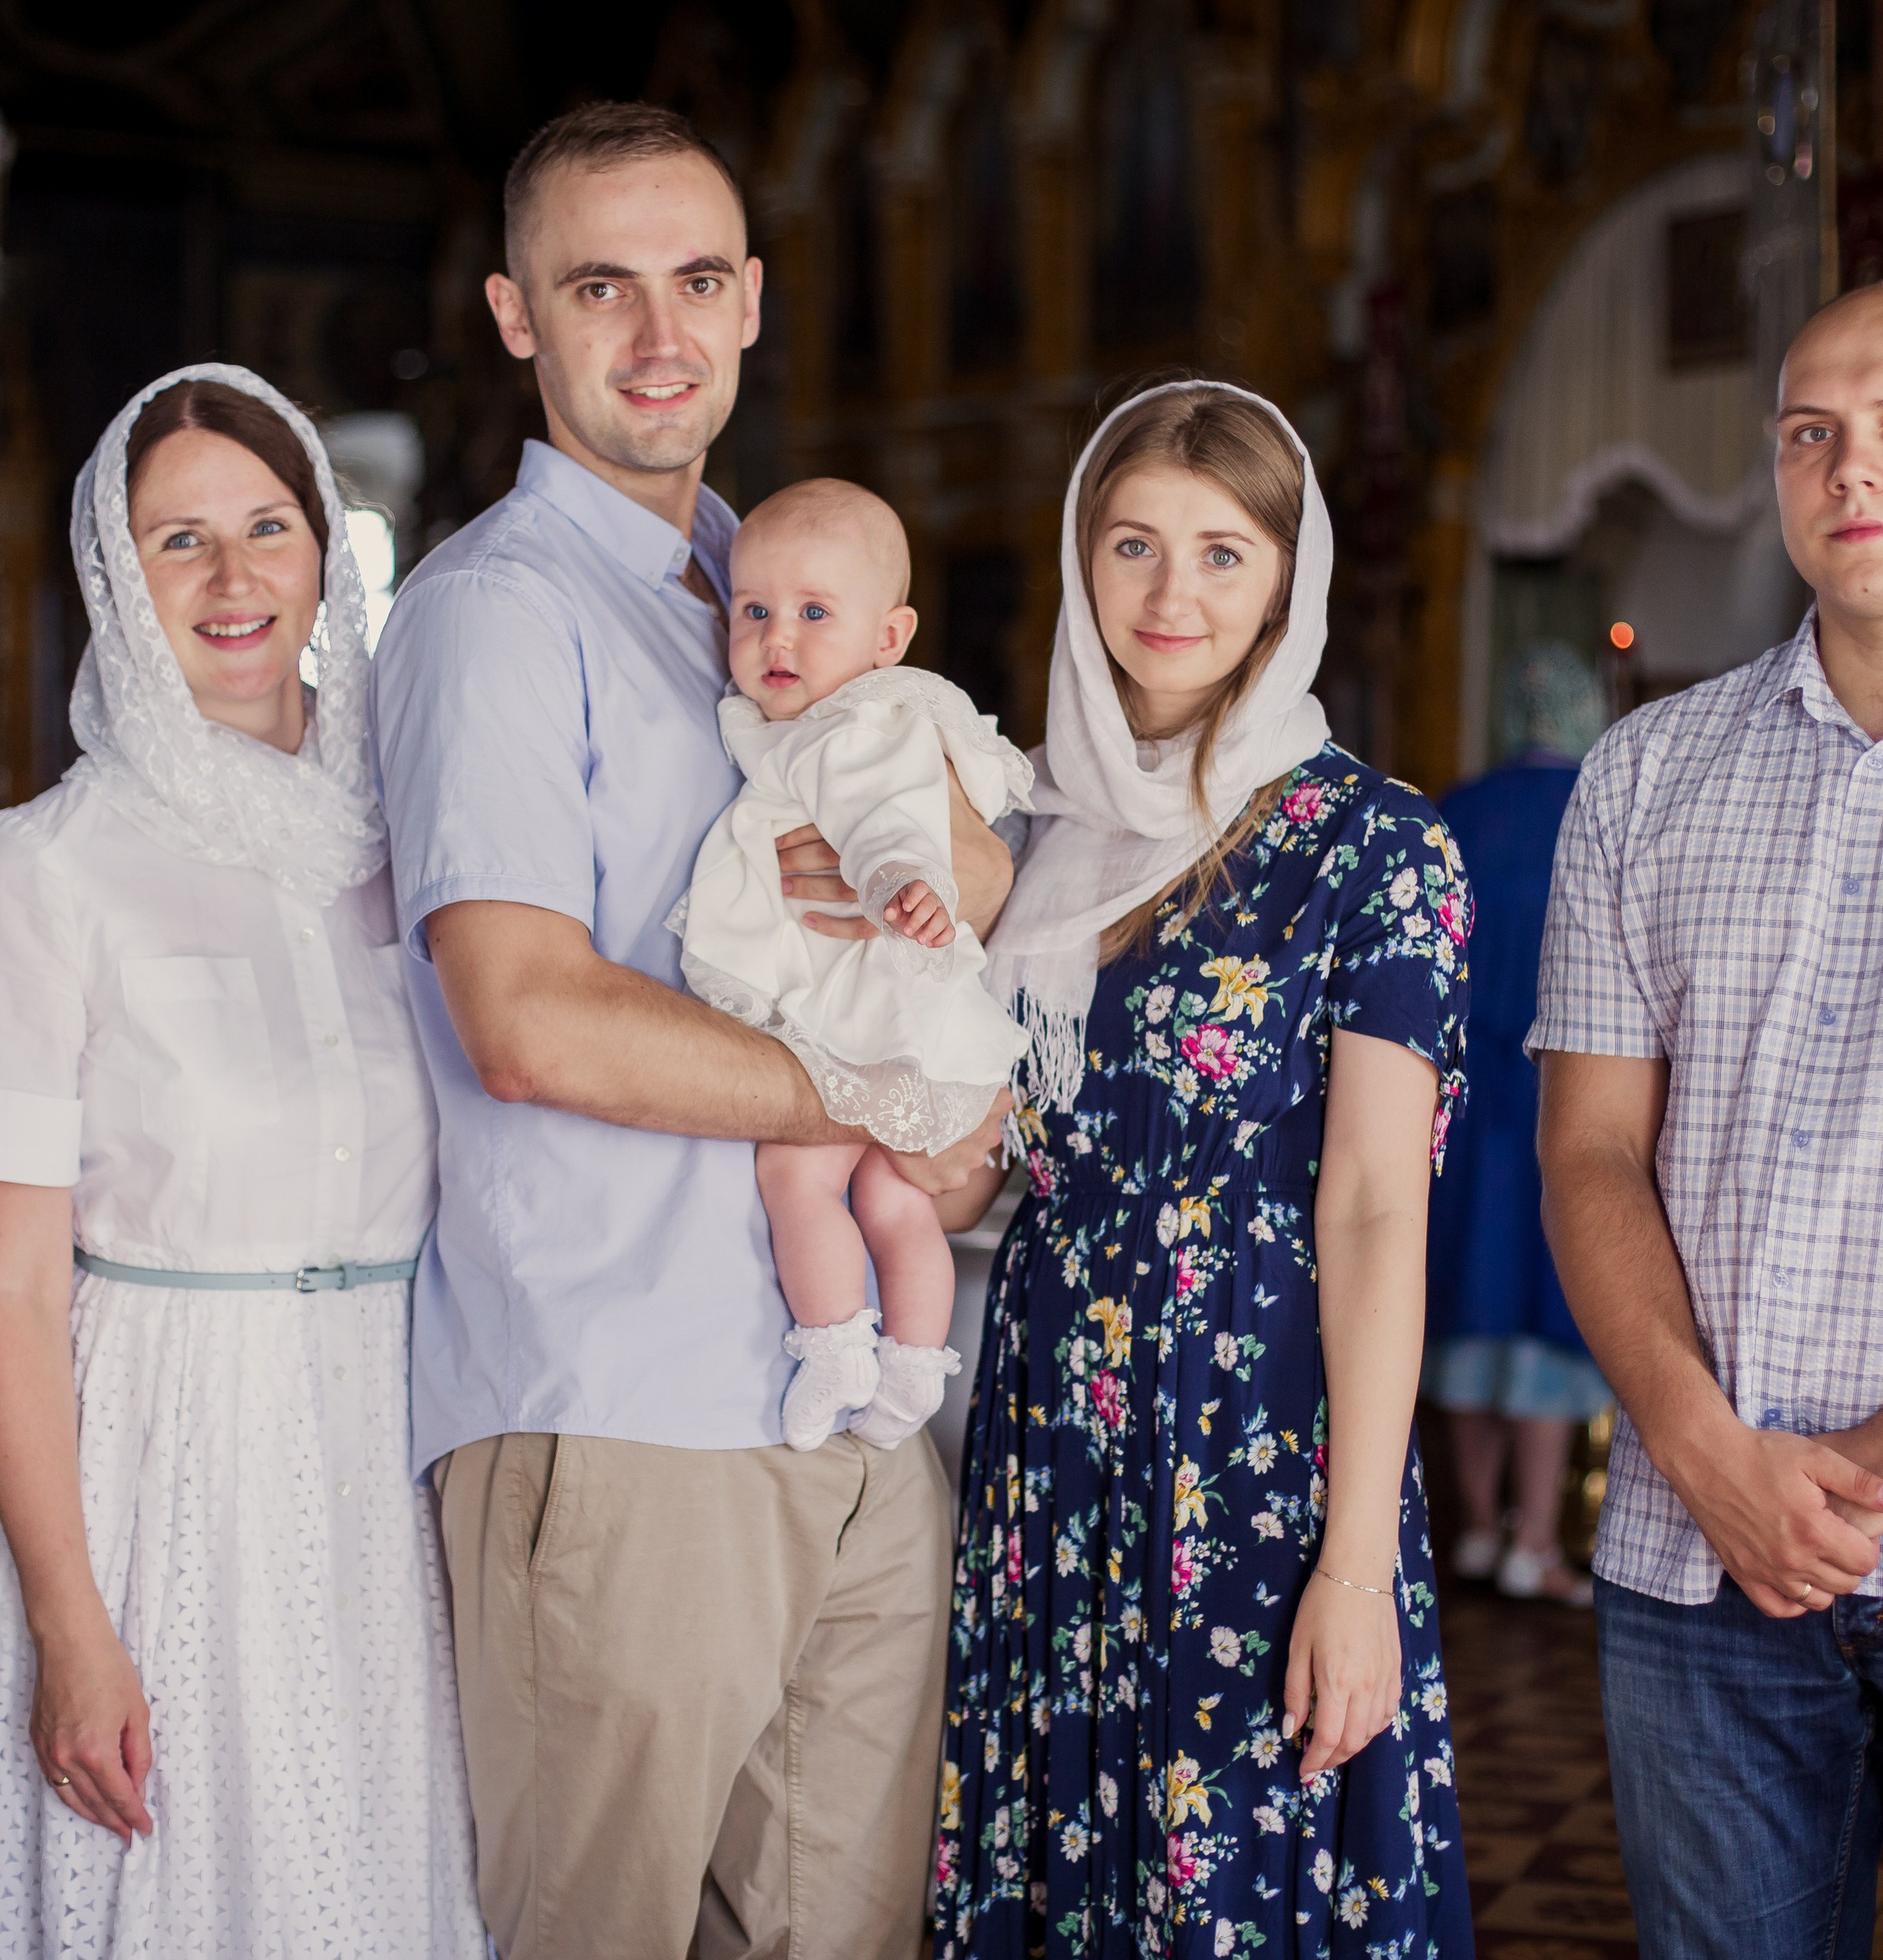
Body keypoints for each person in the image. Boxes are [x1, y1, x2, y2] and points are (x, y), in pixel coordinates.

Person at [368, 104, 1012, 1960]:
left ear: (751, 300)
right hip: (618, 1406)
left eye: (697, 280)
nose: (658, 334)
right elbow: (527, 1020)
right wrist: (879, 1091)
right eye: (600, 285)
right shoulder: (494, 614)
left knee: (844, 1932)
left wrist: (938, 1068)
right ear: (515, 315)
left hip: (848, 1402)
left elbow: (964, 856)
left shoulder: (764, 584)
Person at [931, 381, 1476, 1958]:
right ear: (1077, 562)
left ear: (1284, 579)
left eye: (1222, 553)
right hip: (1047, 1442)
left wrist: (1355, 1565)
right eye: (1132, 545)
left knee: (1247, 1876)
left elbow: (1376, 1207)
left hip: (1260, 1453)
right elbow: (972, 1168)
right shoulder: (1015, 831)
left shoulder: (1371, 845)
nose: (1172, 595)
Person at [0, 368, 479, 1953]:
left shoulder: (419, 840)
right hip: (169, 1449)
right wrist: (72, 1622)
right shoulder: (51, 867)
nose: (232, 576)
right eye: (177, 539)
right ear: (114, 581)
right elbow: (13, 1284)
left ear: (325, 551)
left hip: (393, 1447)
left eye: (269, 526)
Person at [1535, 276, 1883, 1955]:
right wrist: (1705, 1455)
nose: (1847, 469)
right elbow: (1586, 1152)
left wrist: (1880, 1467)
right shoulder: (1643, 776)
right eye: (1808, 434)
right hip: (1691, 1558)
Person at [672, 479, 1034, 1451]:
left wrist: (901, 882)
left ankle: (833, 1343)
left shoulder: (855, 725)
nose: (776, 639)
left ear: (889, 636)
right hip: (896, 1010)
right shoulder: (840, 715)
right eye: (755, 611)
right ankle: (913, 1366)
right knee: (888, 1194)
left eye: (813, 613)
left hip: (868, 1013)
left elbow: (885, 826)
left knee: (796, 1172)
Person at [1424, 642, 1612, 1607]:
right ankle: (1535, 1538)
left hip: (1456, 1107)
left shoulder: (1455, 811)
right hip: (1566, 1098)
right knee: (1546, 1322)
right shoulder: (1602, 804)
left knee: (1462, 1312)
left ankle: (1475, 1526)